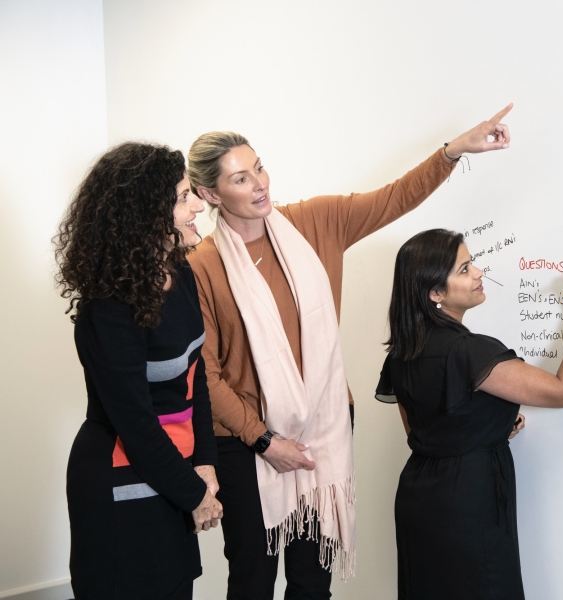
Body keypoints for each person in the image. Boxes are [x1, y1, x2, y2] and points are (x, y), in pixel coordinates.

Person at [185, 104, 513, 599]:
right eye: (239, 179)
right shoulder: (203, 265)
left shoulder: (315, 223)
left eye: (259, 167)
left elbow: (393, 199)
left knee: (314, 582)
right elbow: (206, 375)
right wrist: (263, 440)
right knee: (252, 578)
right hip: (245, 443)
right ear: (209, 194)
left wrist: (454, 151)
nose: (259, 184)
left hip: (324, 428)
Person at [375, 229, 563, 600]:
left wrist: (486, 423)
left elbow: (422, 428)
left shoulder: (400, 354)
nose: (479, 272)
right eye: (464, 269)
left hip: (420, 500)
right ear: (435, 293)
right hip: (468, 502)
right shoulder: (469, 352)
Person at [55, 142, 224, 599]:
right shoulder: (108, 306)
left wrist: (205, 463)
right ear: (146, 210)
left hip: (172, 473)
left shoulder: (181, 272)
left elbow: (196, 377)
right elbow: (134, 422)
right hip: (119, 481)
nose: (197, 207)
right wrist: (192, 493)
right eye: (184, 196)